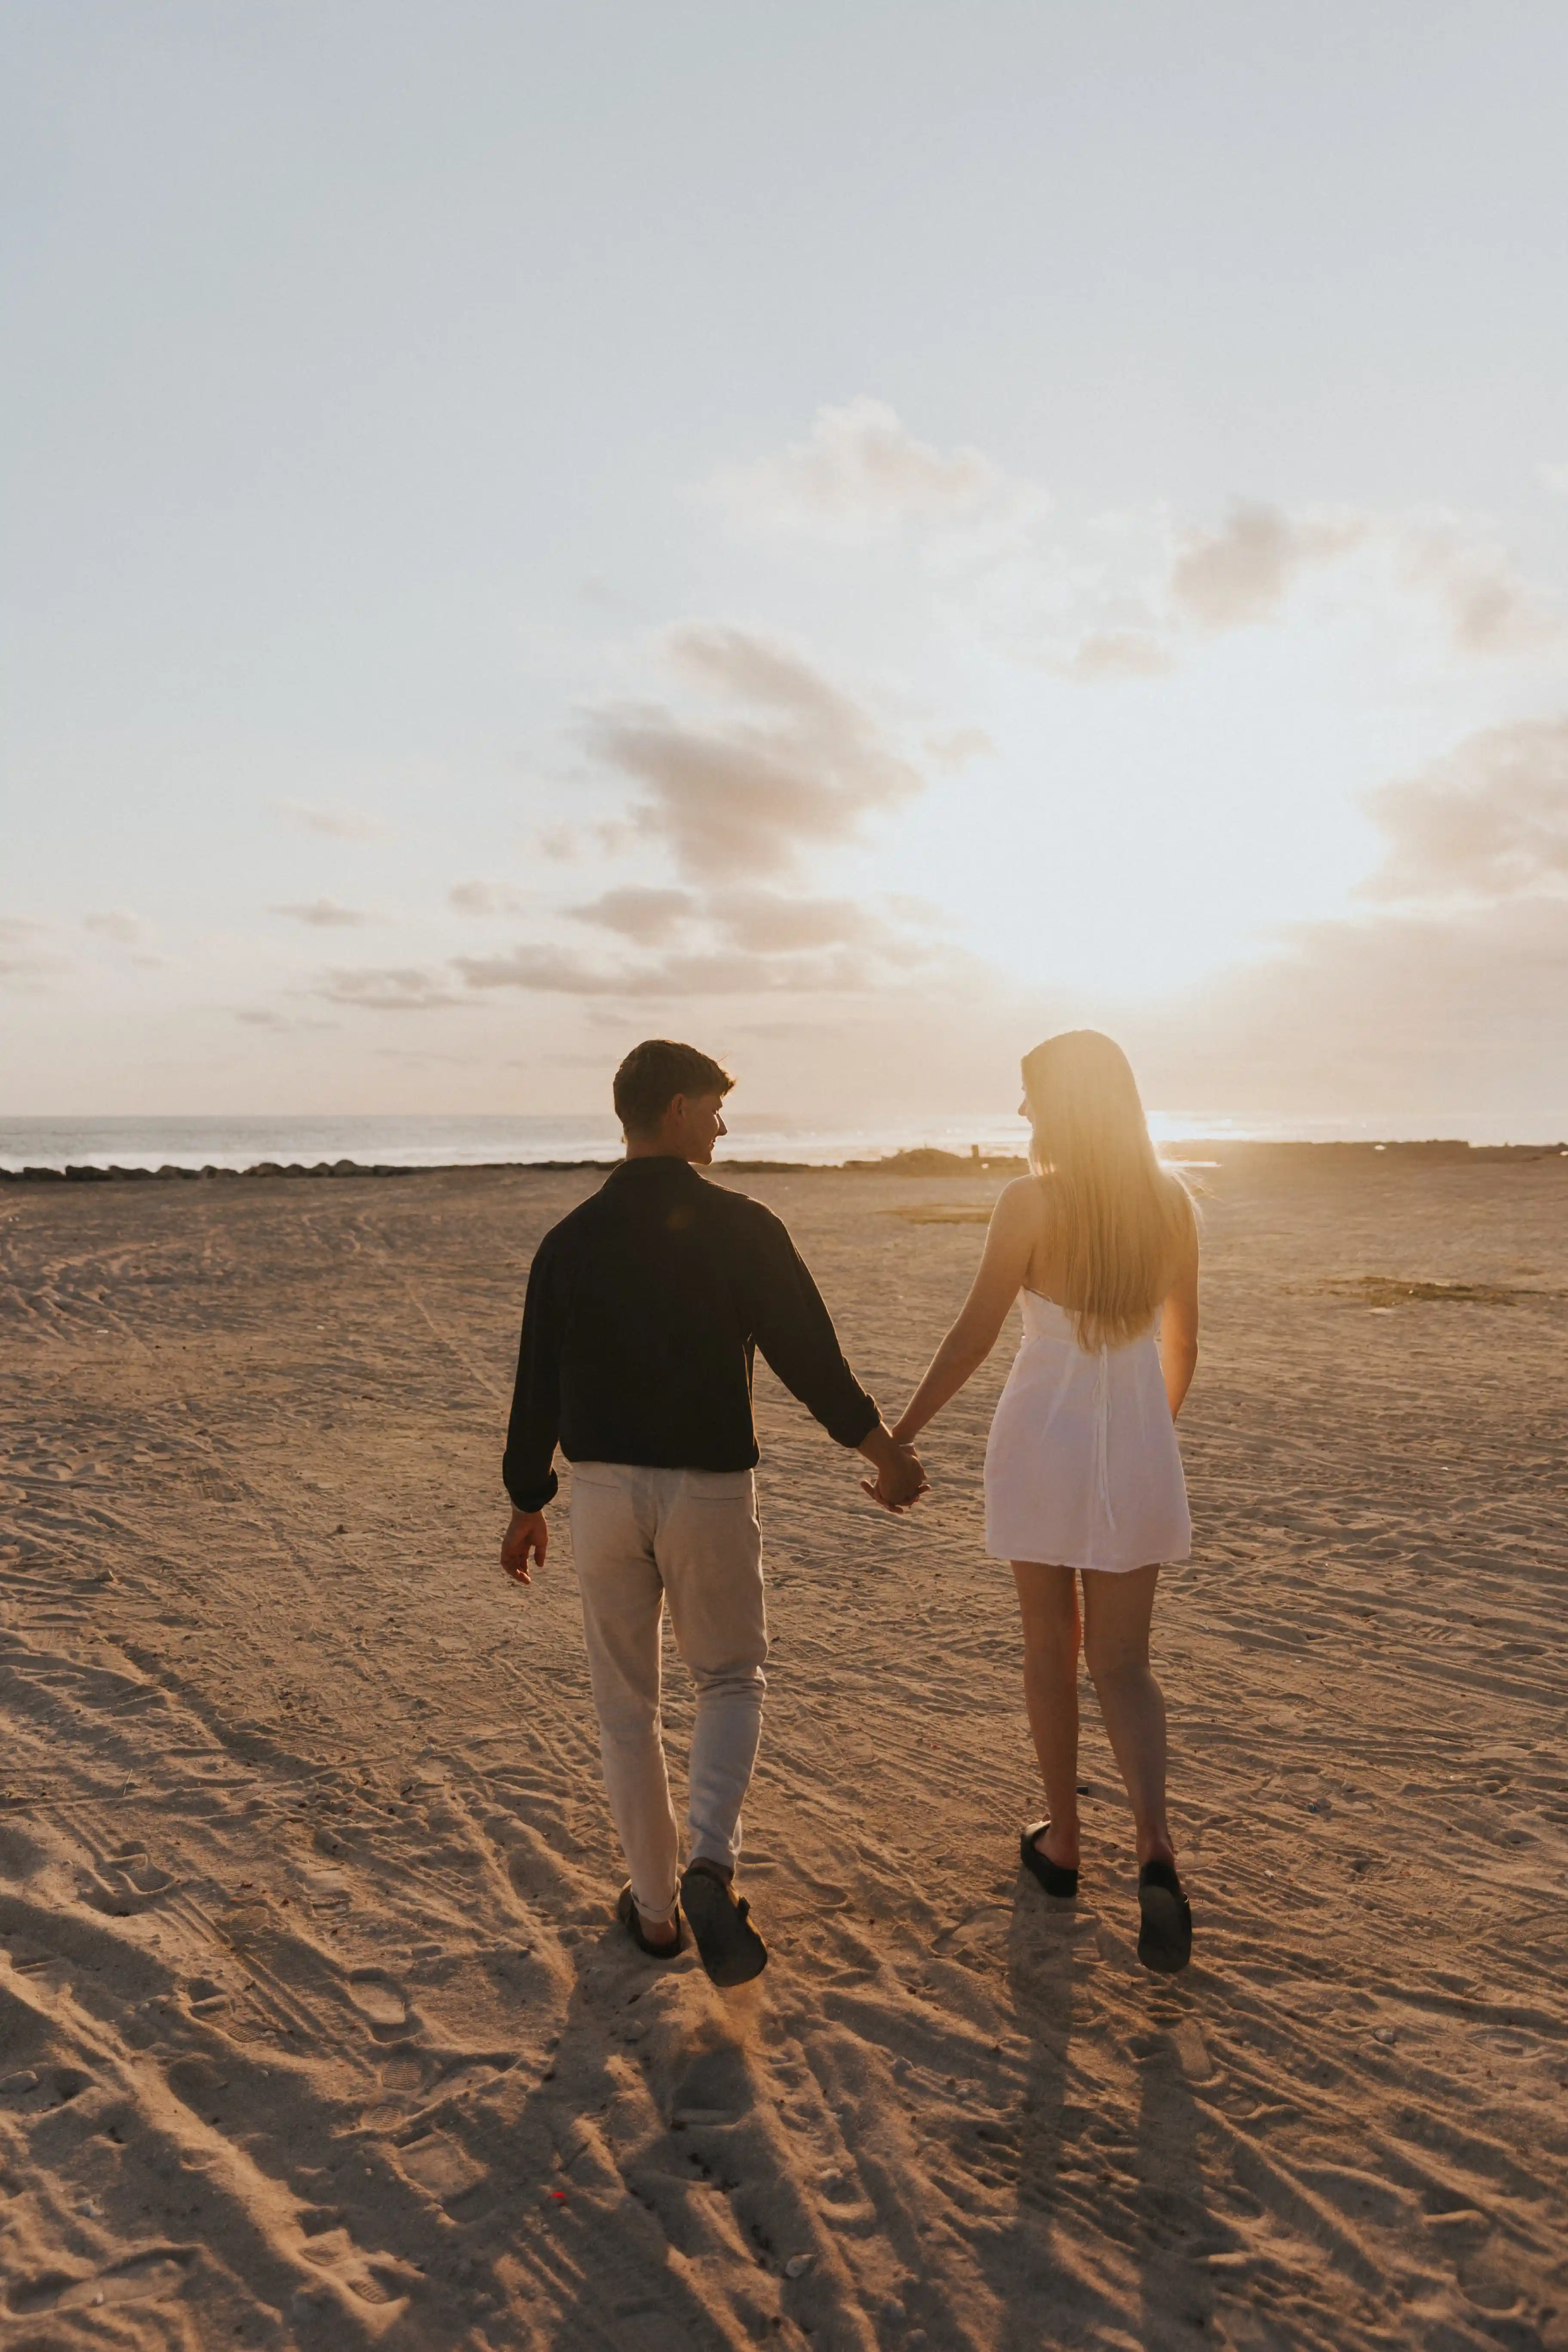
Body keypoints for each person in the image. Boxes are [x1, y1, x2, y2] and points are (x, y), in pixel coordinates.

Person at [499, 1039, 927, 1986]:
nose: (725, 1125)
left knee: (626, 1708)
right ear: (678, 1110)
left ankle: (654, 1915)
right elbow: (807, 1357)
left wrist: (528, 1499)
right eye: (715, 1106)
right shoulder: (739, 1226)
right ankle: (709, 1864)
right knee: (729, 1679)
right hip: (706, 1490)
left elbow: (535, 1384)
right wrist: (882, 1451)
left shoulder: (568, 1240)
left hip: (603, 1494)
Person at [889, 1030, 1199, 1972]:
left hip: (1038, 1444)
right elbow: (1182, 1347)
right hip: (1135, 1447)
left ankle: (1062, 1841)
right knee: (1124, 1664)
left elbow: (973, 1336)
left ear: (1059, 1105)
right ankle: (1153, 1848)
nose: (1020, 1114)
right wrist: (1144, 1432)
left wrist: (899, 1434)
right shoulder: (1170, 1201)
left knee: (1046, 1649)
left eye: (1029, 1097)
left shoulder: (1028, 1201)